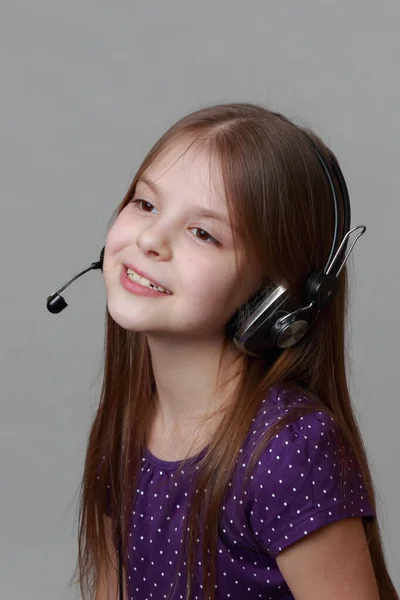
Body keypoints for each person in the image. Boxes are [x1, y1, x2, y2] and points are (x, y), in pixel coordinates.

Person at [72, 103, 398, 599]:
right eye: (145, 204)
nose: (151, 239)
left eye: (203, 233)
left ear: (275, 297)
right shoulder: (130, 422)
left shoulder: (289, 451)